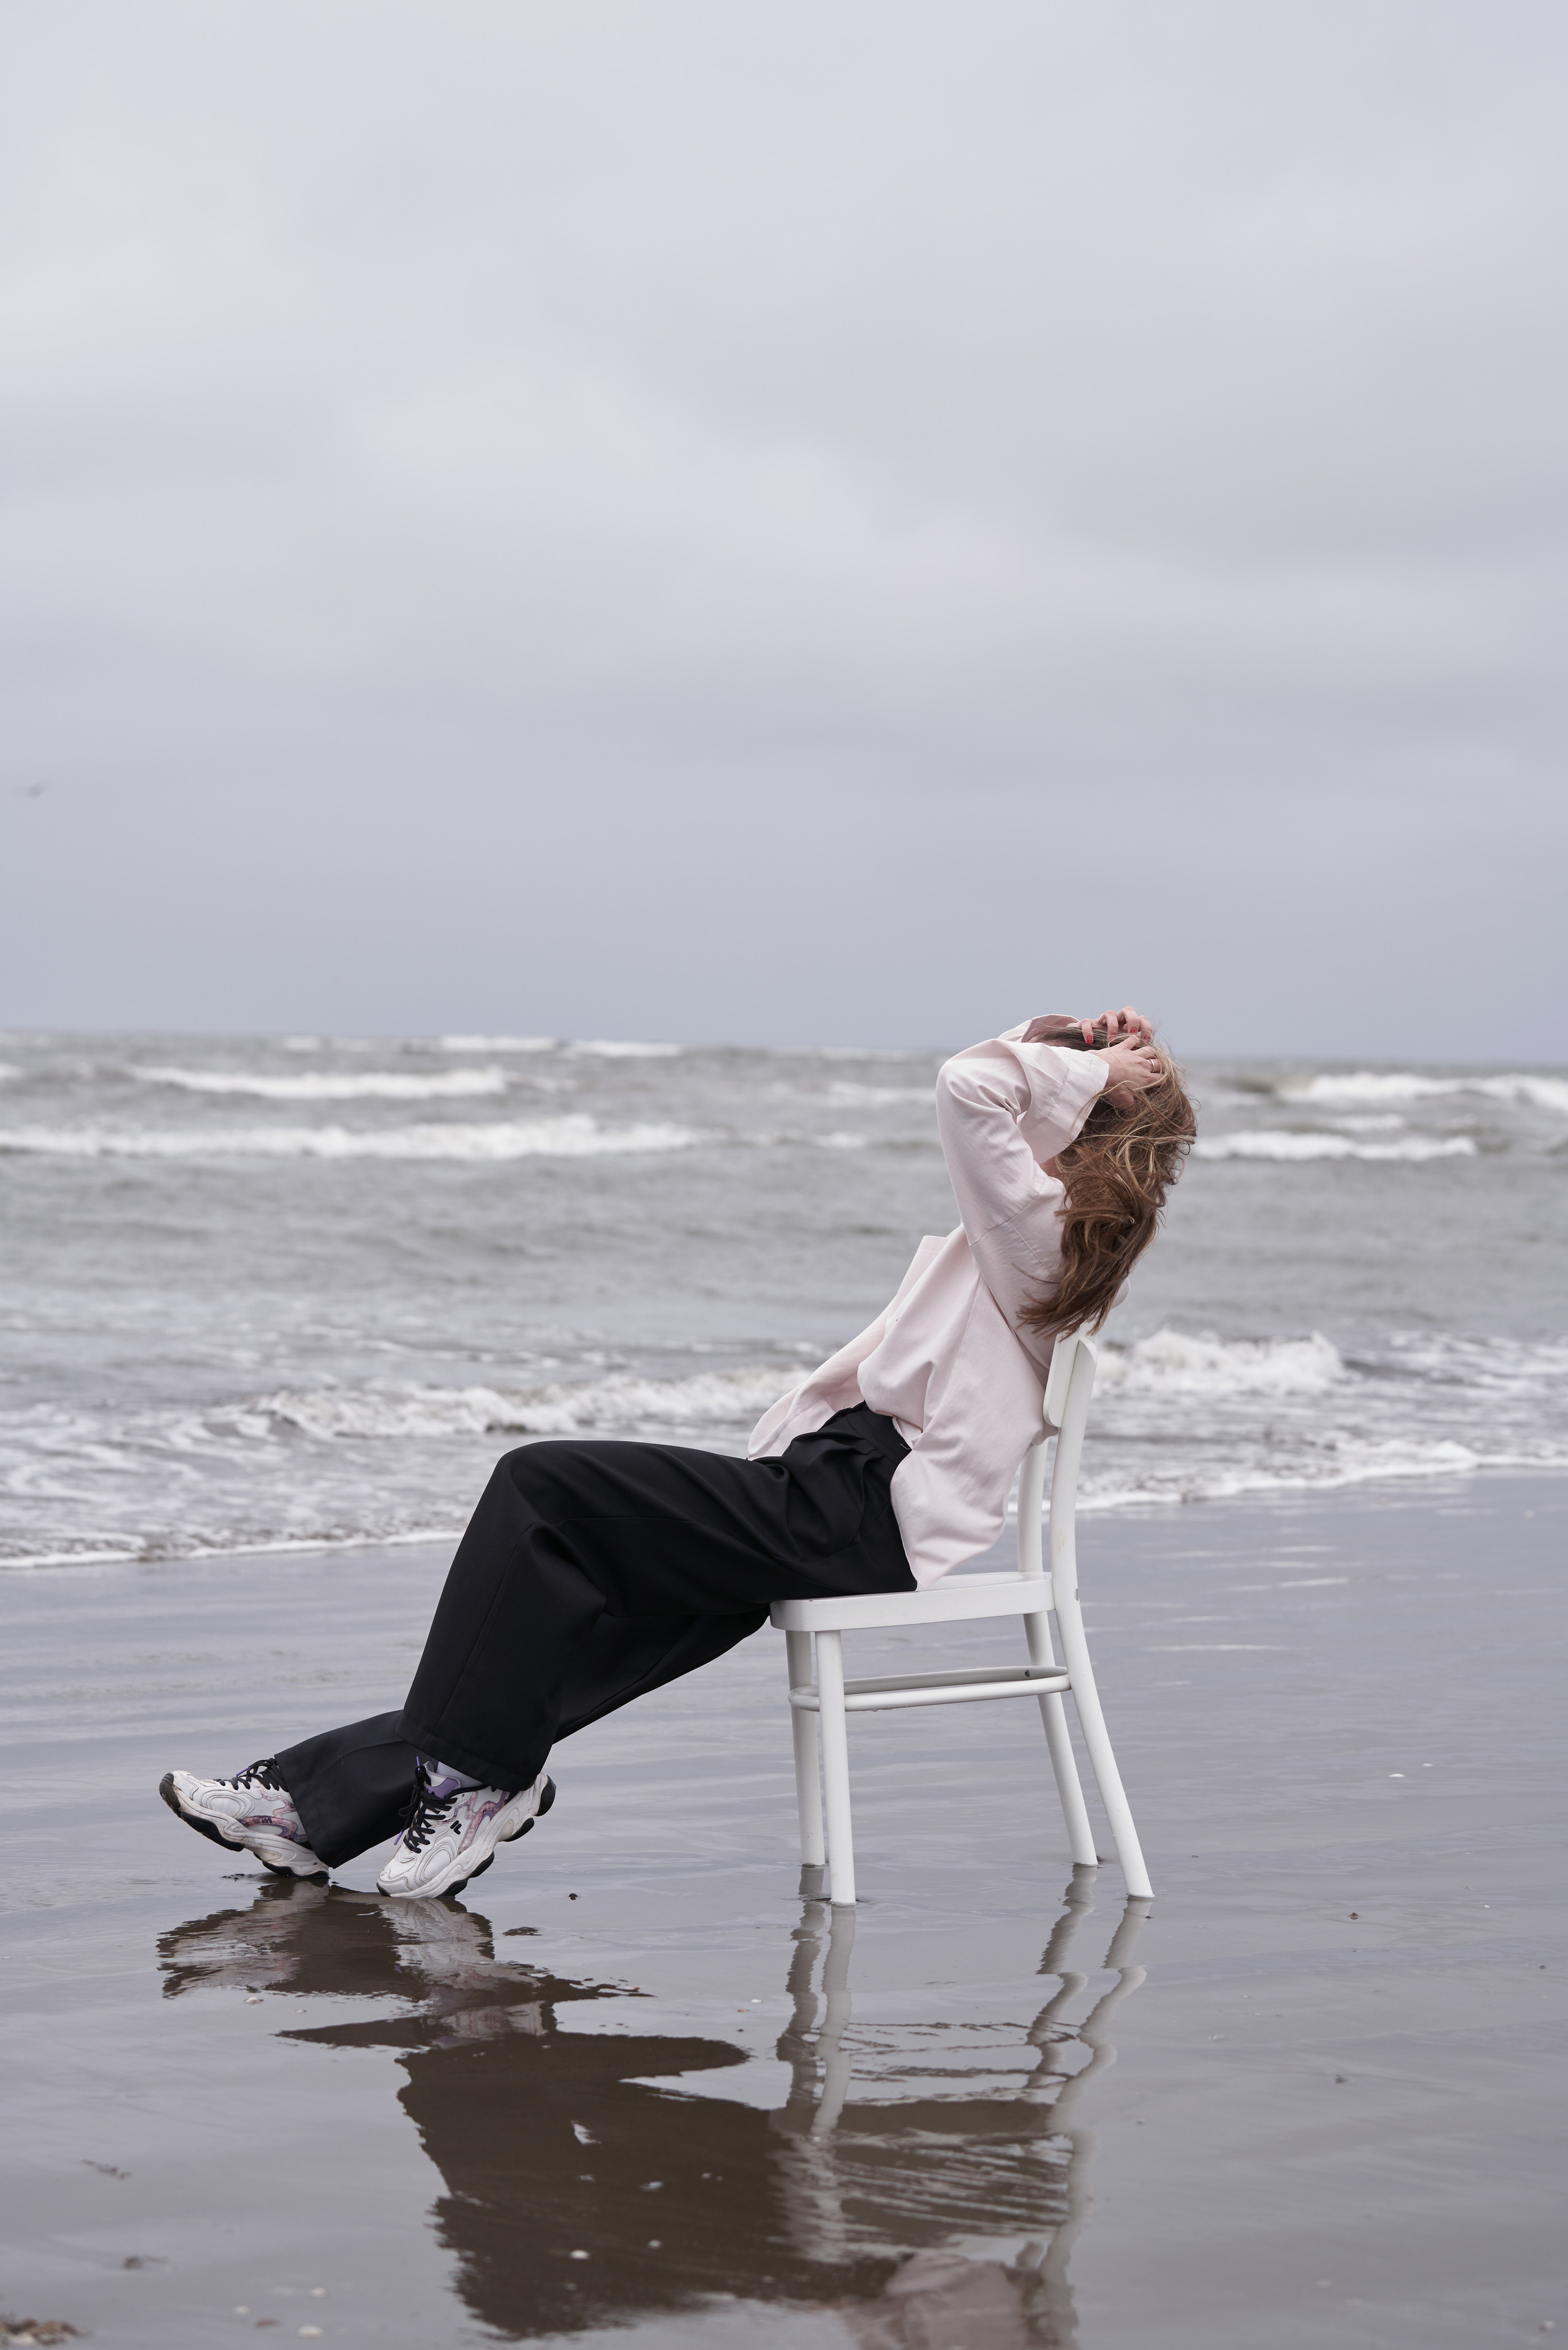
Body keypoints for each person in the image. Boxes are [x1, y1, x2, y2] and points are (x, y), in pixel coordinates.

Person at [160, 1005, 1195, 1900]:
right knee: (580, 1614)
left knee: (542, 1488)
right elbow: (996, 1088)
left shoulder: (1042, 1233)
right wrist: (1063, 1043)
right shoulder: (1054, 1243)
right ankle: (312, 1805)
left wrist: (1088, 1067)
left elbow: (967, 1088)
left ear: (1079, 1135)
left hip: (858, 1507)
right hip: (836, 1494)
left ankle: (476, 1784)